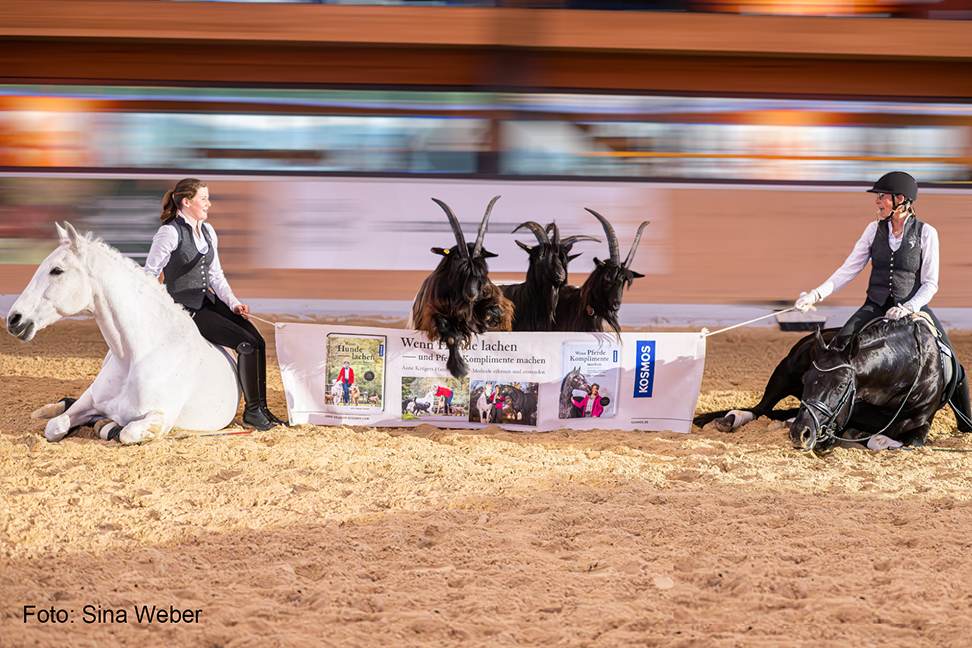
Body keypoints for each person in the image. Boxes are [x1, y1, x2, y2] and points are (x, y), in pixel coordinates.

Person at [793, 171, 972, 431]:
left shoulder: (926, 233)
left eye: (882, 196)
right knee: (840, 347)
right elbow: (849, 269)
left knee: (950, 359)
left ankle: (966, 422)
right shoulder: (873, 230)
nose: (877, 201)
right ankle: (826, 411)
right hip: (874, 305)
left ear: (901, 200)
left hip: (912, 307)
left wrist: (909, 307)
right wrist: (815, 294)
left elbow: (930, 283)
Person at [145, 178, 286, 432]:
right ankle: (252, 412)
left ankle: (262, 408)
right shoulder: (169, 233)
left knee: (258, 341)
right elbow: (149, 274)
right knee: (245, 345)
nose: (208, 203)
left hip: (208, 301)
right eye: (204, 198)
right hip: (185, 309)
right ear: (187, 202)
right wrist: (163, 309)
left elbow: (216, 276)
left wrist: (234, 304)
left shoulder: (208, 231)